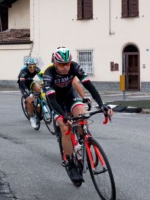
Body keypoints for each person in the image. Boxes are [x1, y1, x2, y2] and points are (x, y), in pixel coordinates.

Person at [43, 47, 113, 181]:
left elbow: (90, 86)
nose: (65, 67)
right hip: (56, 101)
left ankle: (84, 141)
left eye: (67, 63)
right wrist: (63, 115)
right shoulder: (49, 74)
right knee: (65, 127)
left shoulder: (75, 67)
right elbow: (51, 100)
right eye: (62, 64)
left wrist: (101, 104)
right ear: (55, 63)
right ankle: (69, 163)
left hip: (70, 96)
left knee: (83, 116)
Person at [17, 57, 42, 128]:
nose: (32, 68)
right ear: (27, 66)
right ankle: (31, 118)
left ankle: (39, 105)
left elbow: (42, 77)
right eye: (30, 66)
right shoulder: (23, 72)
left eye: (33, 66)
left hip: (30, 82)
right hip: (23, 85)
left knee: (38, 89)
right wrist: (29, 94)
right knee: (30, 100)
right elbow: (22, 84)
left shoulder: (37, 69)